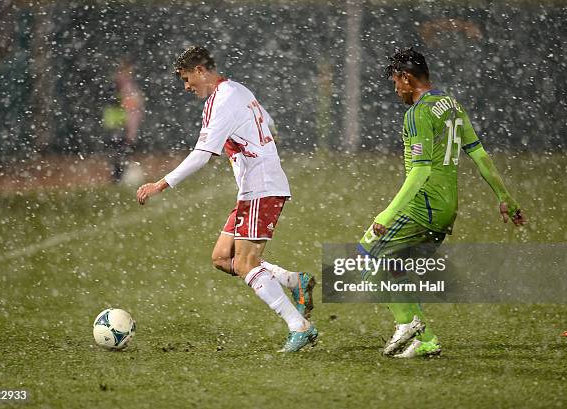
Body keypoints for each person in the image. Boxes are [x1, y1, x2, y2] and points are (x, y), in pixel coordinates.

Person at [136, 46, 317, 352]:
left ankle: (298, 326)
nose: (186, 86)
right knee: (222, 258)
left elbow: (203, 155)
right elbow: (270, 125)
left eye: (186, 78)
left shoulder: (222, 100)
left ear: (200, 71)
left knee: (246, 263)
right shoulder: (238, 90)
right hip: (254, 188)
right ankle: (292, 281)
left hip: (261, 187)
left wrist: (162, 184)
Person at [358, 47, 526, 358]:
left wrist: (388, 213)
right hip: (447, 209)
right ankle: (427, 340)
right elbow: (478, 153)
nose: (396, 91)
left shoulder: (418, 114)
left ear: (407, 78)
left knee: (366, 260)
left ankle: (407, 324)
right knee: (394, 265)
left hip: (423, 207)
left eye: (396, 83)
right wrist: (505, 197)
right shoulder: (450, 105)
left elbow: (420, 170)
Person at [103, 60, 144, 183]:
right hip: (116, 123)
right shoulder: (116, 84)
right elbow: (112, 100)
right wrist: (125, 102)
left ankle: (119, 176)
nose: (130, 73)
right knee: (118, 152)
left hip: (124, 123)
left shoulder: (127, 84)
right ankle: (117, 177)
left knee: (124, 150)